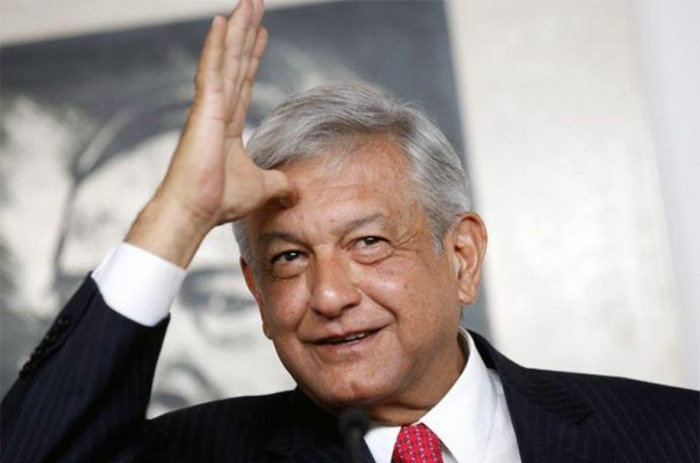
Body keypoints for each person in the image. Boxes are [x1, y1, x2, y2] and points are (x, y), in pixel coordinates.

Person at [1, 0, 698, 462]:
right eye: (288, 258)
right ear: (257, 292)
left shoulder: (673, 436)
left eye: (368, 243)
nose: (329, 295)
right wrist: (179, 213)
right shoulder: (191, 453)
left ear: (461, 256)